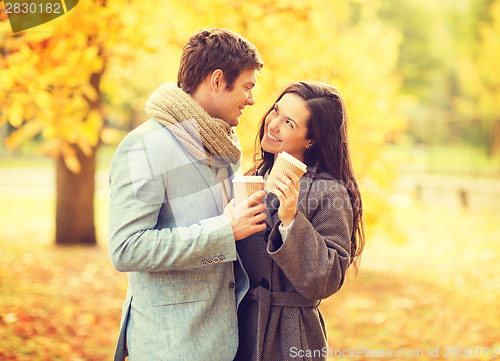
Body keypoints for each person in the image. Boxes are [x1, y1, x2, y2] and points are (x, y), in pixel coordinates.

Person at [108, 28, 266, 361]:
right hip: (170, 347)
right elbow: (126, 248)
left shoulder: (221, 145)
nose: (252, 99)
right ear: (218, 80)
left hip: (226, 342)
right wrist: (224, 231)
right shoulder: (144, 146)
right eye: (248, 87)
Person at [233, 81, 365, 361]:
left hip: (292, 337)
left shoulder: (329, 191)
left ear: (311, 139)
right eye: (275, 111)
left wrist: (291, 219)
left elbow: (327, 280)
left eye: (289, 123)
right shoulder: (253, 176)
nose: (273, 124)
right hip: (239, 327)